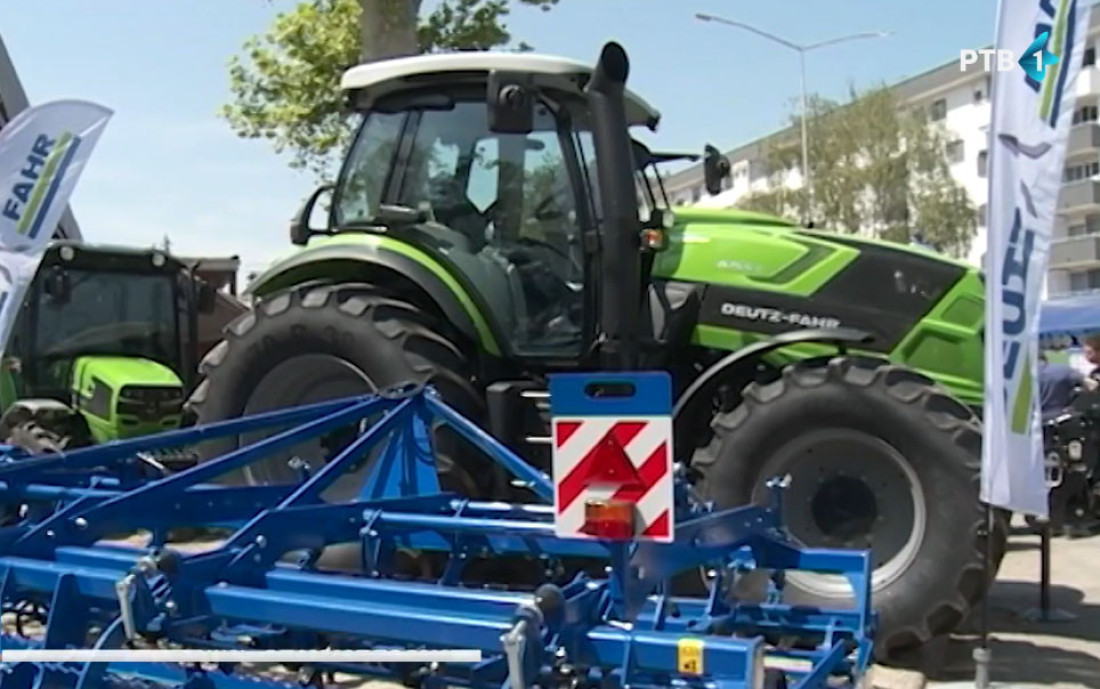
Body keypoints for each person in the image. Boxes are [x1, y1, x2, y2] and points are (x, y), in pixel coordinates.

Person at [1038, 352, 1097, 416]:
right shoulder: (1064, 370)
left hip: (1033, 419)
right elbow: (1092, 385)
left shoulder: (1028, 375)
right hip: (1059, 417)